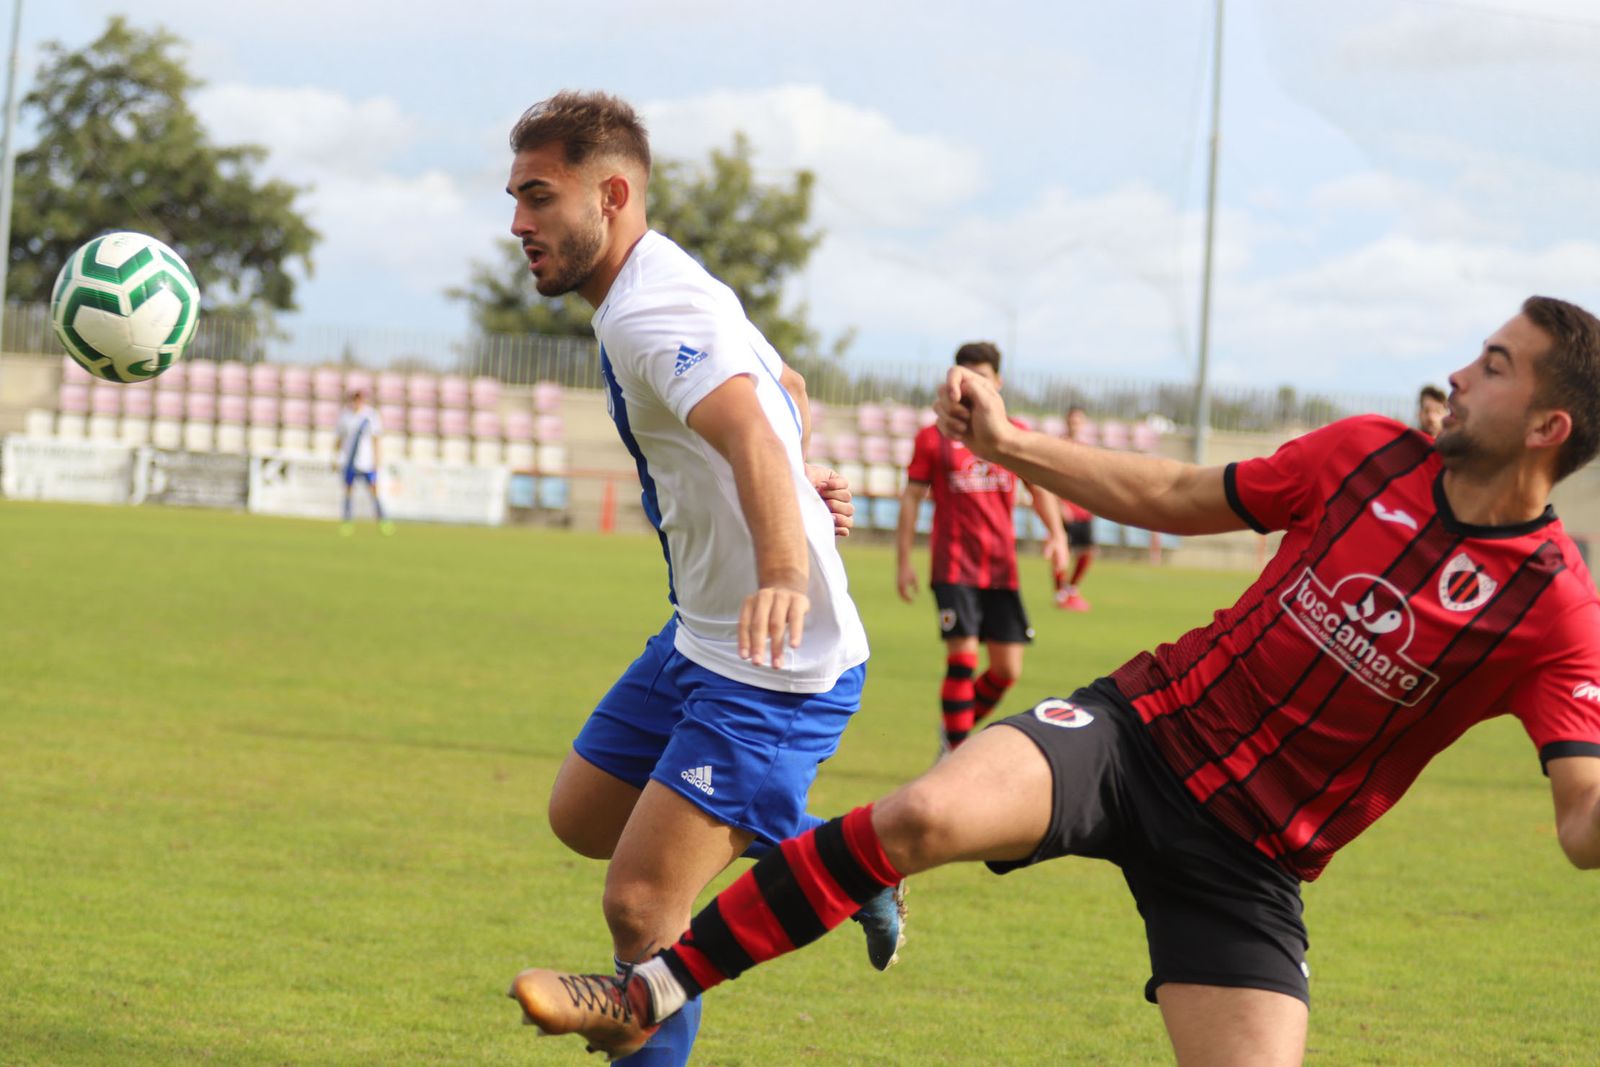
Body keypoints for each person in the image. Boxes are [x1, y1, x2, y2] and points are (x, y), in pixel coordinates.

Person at [511, 295, 1600, 1066]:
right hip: (1135, 736)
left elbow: (1579, 817)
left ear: (1549, 427)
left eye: (1494, 365)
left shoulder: (1553, 602)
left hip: (1252, 859)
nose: (1460, 373)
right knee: (926, 809)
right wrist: (1008, 439)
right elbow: (1178, 489)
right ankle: (647, 989)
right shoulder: (1368, 453)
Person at [500, 90, 901, 1067]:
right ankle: (834, 854)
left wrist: (781, 564)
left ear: (614, 192)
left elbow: (751, 423)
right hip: (699, 637)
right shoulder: (655, 283)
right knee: (581, 816)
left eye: (539, 198)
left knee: (643, 905)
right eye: (514, 199)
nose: (518, 224)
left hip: (775, 663)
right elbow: (785, 389)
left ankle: (823, 854)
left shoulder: (651, 309)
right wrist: (802, 477)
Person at [895, 342, 1067, 751]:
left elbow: (1039, 489)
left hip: (1001, 566)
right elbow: (911, 500)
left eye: (982, 379)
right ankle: (955, 754)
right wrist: (904, 561)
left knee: (1007, 669)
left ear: (998, 382)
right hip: (953, 566)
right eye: (966, 378)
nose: (972, 388)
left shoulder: (1014, 434)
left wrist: (1057, 534)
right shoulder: (932, 437)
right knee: (963, 660)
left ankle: (954, 728)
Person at [1053, 405, 1098, 611]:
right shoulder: (1058, 446)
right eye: (1072, 420)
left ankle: (1071, 589)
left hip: (1082, 509)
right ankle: (1060, 592)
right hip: (1065, 510)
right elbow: (1050, 480)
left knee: (1088, 551)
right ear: (1066, 421)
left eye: (1078, 421)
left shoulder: (1086, 448)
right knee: (1062, 550)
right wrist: (1060, 505)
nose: (1075, 424)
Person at [332, 389, 392, 535]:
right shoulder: (345, 416)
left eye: (359, 399)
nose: (356, 402)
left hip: (367, 462)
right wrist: (335, 457)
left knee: (373, 491)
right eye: (354, 399)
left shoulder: (370, 415)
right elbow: (339, 439)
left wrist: (377, 459)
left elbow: (376, 438)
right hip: (349, 461)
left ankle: (383, 520)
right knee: (348, 491)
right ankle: (347, 521)